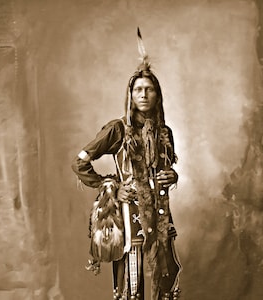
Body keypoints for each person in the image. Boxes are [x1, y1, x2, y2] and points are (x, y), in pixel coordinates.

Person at [71, 29, 182, 300]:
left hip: (160, 214)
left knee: (165, 277)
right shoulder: (117, 130)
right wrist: (110, 186)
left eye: (149, 90)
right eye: (138, 90)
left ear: (158, 95)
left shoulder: (164, 132)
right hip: (131, 215)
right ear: (131, 95)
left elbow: (165, 168)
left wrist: (173, 174)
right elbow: (80, 162)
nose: (144, 95)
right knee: (132, 281)